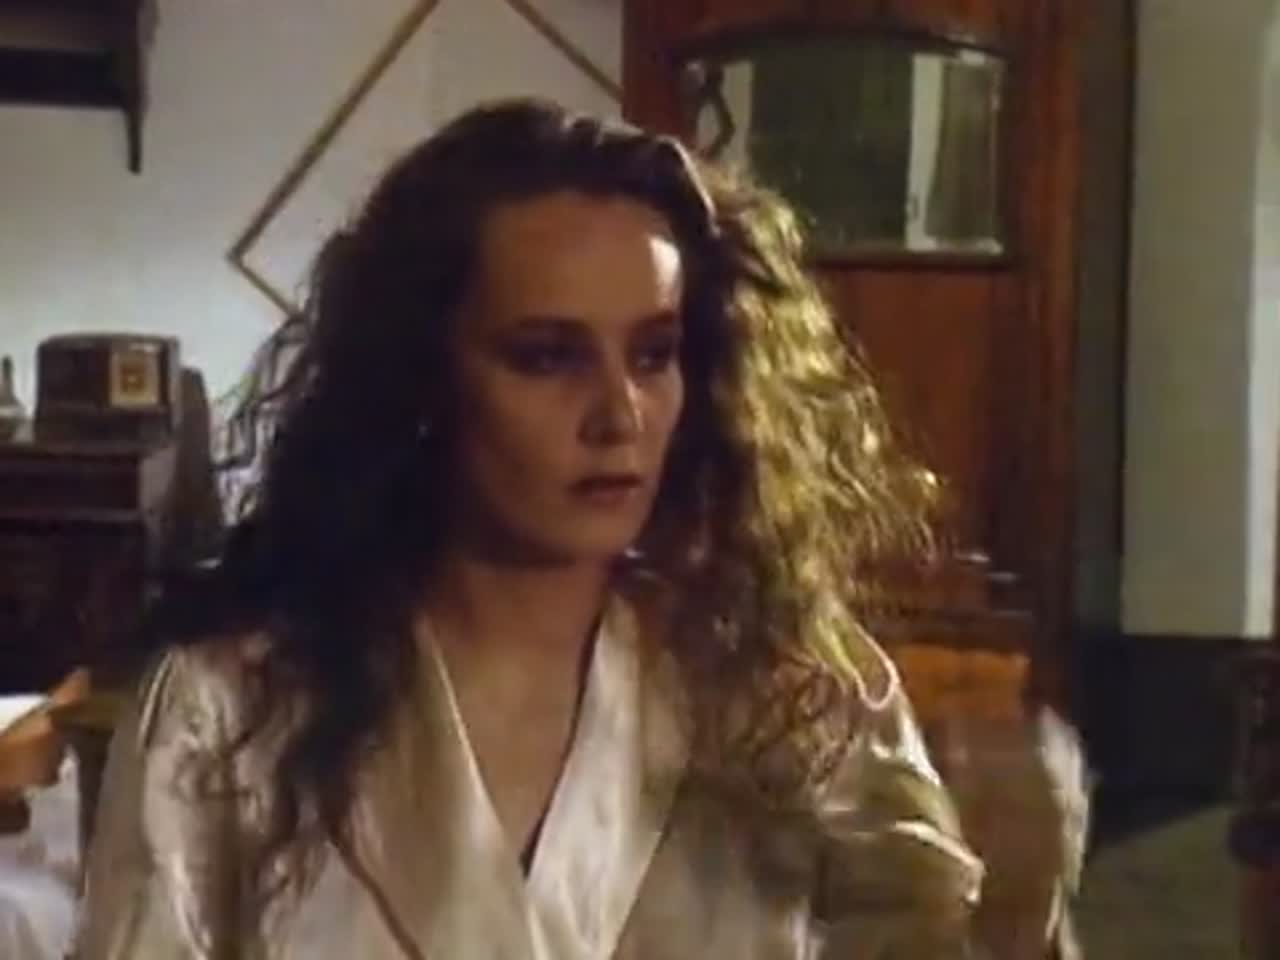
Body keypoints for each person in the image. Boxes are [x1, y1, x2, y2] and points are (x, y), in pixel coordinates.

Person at [75, 98, 1082, 959]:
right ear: (421, 381)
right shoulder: (232, 715)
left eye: (652, 355)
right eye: (546, 357)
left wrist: (1013, 906)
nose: (618, 415)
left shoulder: (789, 695)